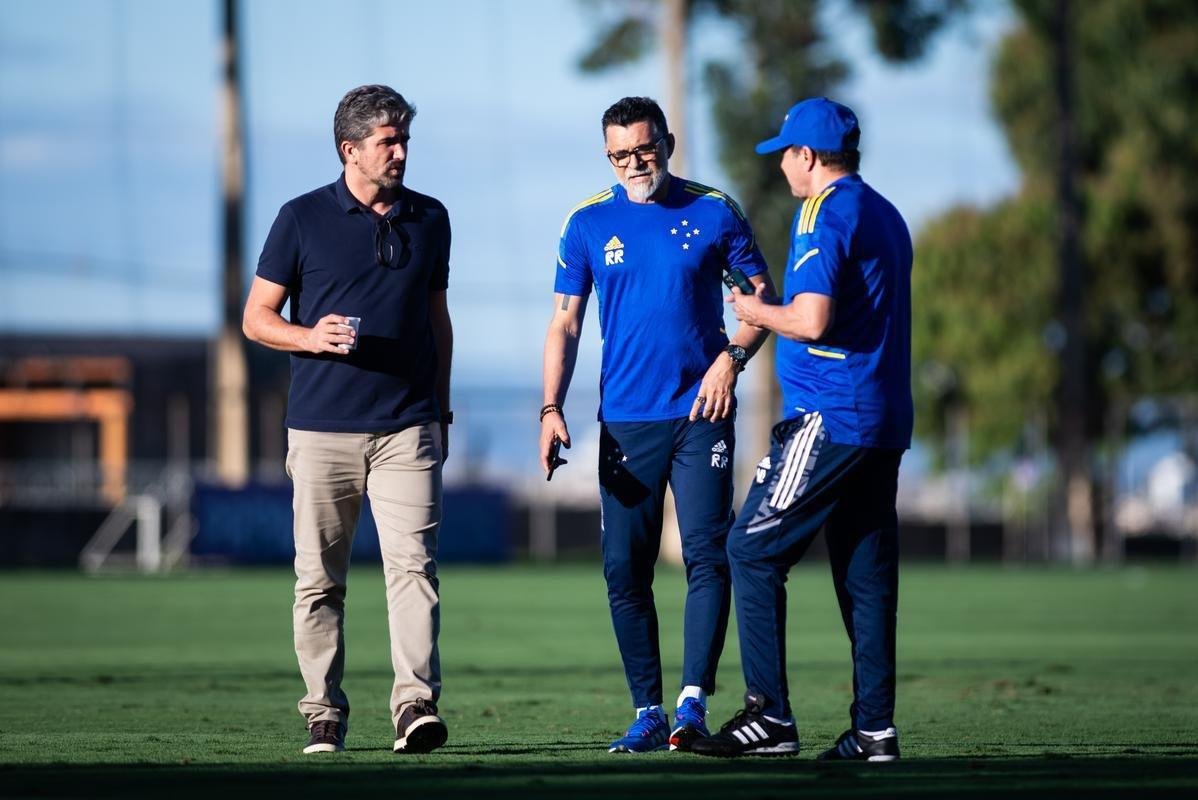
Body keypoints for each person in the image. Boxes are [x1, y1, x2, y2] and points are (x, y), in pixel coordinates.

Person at [540, 96, 775, 754]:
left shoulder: (713, 210)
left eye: (644, 150)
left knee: (707, 555)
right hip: (625, 424)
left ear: (667, 142)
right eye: (620, 155)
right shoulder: (587, 222)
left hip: (701, 416)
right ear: (607, 156)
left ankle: (692, 704)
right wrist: (550, 407)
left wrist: (730, 362)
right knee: (623, 568)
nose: (634, 164)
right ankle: (646, 709)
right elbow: (565, 322)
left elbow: (762, 304)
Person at [691, 97, 913, 760]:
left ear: (809, 157)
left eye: (786, 153)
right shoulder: (886, 212)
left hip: (831, 414)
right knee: (865, 578)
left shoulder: (823, 210)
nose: (784, 165)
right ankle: (874, 731)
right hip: (882, 419)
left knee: (751, 550)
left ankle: (770, 718)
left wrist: (759, 309)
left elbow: (813, 320)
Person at [242, 84, 454, 756]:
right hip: (321, 429)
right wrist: (308, 336)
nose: (400, 152)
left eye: (404, 140)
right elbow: (256, 319)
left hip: (408, 427)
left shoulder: (432, 218)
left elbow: (437, 319)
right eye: (388, 141)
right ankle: (323, 711)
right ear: (349, 149)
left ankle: (414, 705)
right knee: (318, 578)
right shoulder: (300, 218)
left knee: (414, 569)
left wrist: (440, 409)